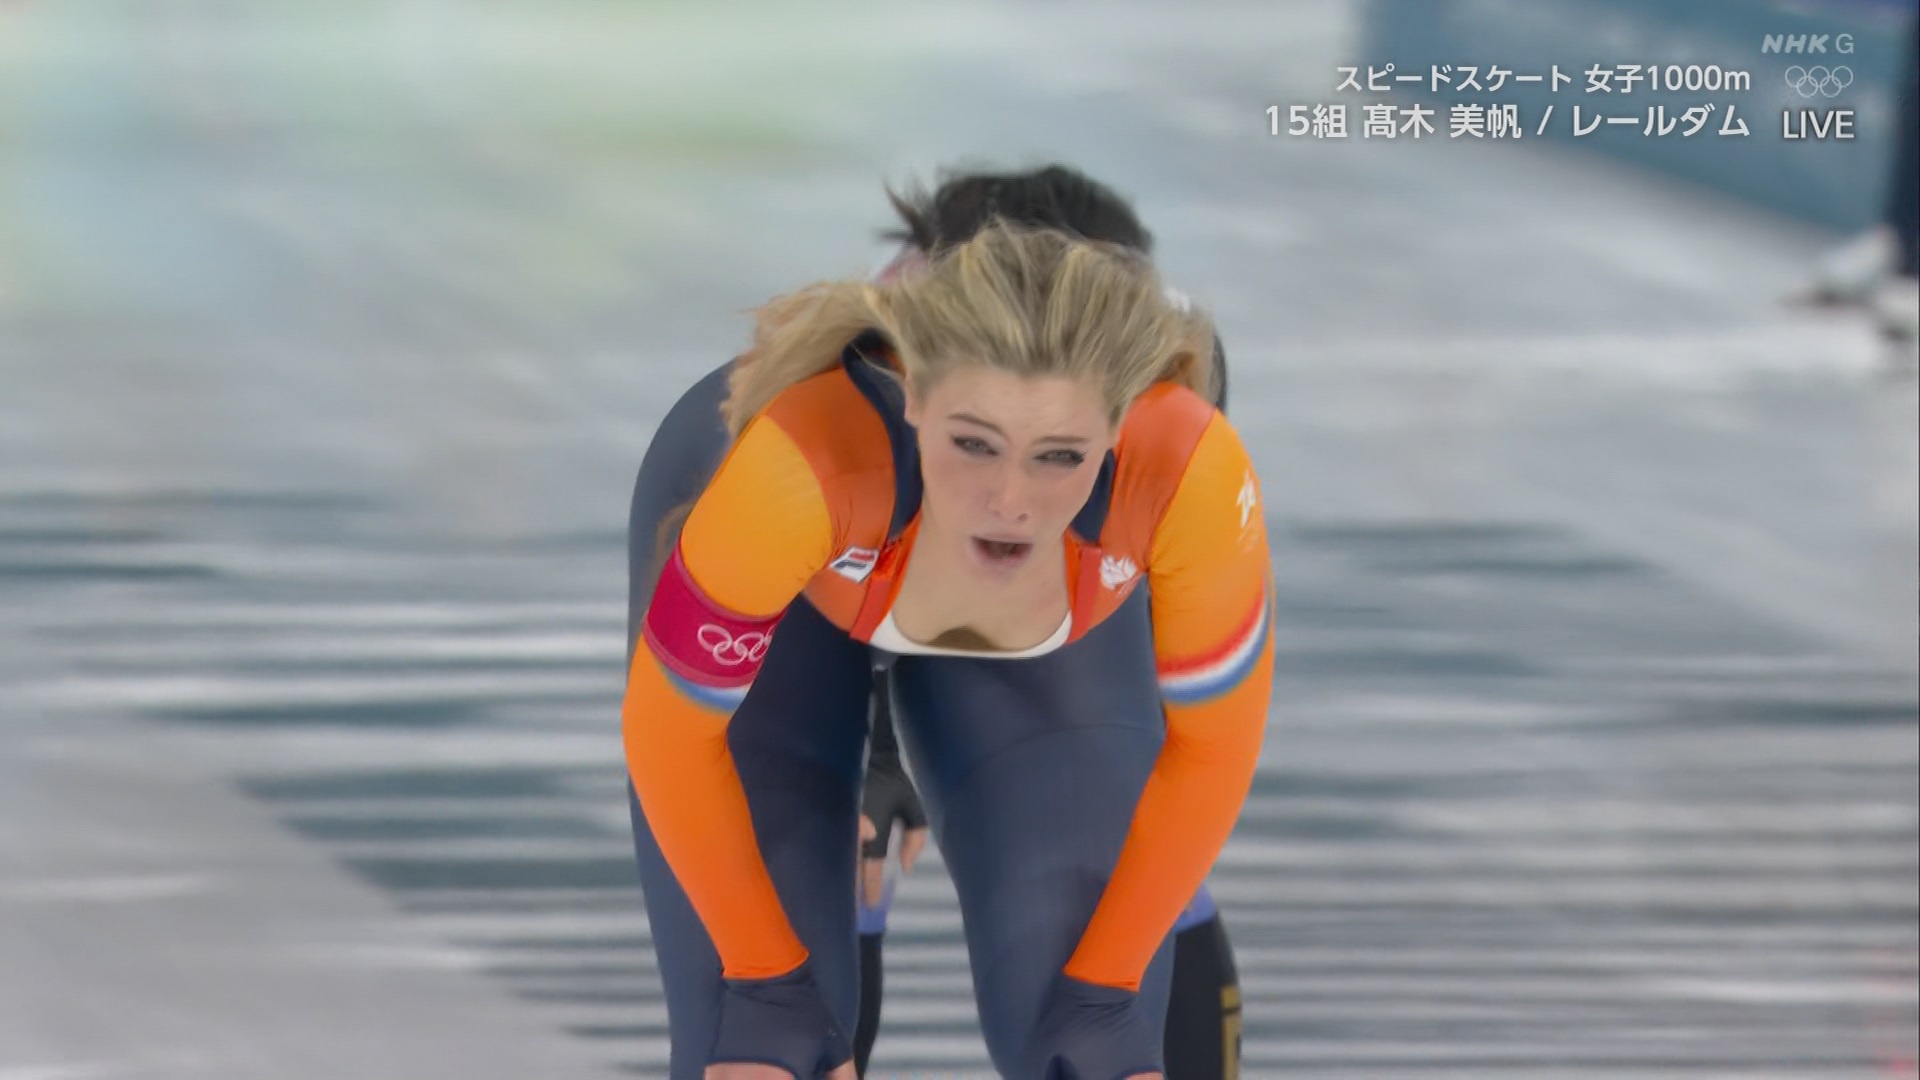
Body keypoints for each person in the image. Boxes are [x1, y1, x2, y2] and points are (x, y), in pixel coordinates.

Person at [621, 221, 1273, 1079]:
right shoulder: (797, 471)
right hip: (806, 571)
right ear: (914, 396)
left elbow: (1212, 751)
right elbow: (672, 734)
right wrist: (766, 980)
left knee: (1088, 1054)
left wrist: (1108, 988)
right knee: (763, 1054)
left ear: (1118, 432)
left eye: (1059, 457)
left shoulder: (1186, 475)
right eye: (975, 444)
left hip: (995, 609)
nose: (1010, 500)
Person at [848, 165, 1241, 1080]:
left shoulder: (1170, 386)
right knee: (838, 842)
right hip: (868, 562)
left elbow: (1195, 725)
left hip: (1055, 595)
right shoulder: (866, 379)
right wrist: (872, 750)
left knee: (1125, 846)